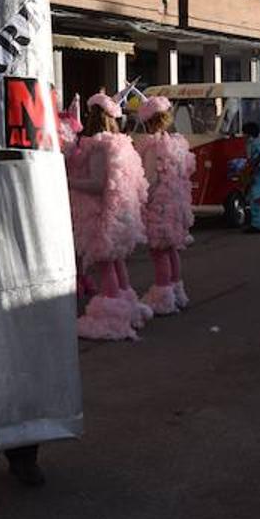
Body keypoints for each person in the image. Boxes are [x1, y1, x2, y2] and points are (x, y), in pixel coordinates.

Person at [71, 93, 151, 341]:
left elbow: (97, 183)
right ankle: (127, 307)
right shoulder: (121, 143)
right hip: (119, 213)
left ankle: (111, 317)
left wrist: (67, 181)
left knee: (106, 265)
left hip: (101, 213)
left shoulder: (98, 146)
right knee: (117, 262)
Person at [136, 95, 196, 316]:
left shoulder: (152, 146)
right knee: (171, 250)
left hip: (158, 204)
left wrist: (142, 199)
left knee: (159, 251)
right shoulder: (176, 142)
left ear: (148, 120)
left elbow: (151, 179)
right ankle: (177, 291)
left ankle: (163, 297)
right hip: (175, 203)